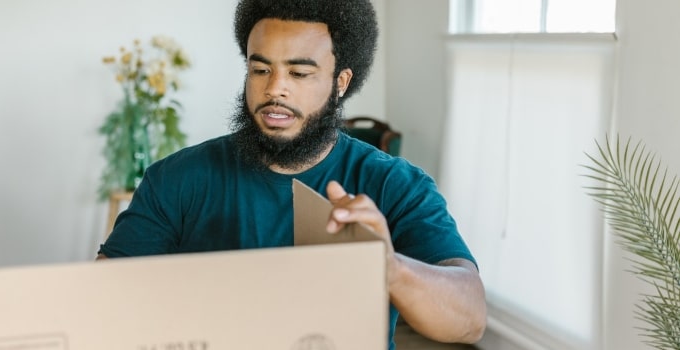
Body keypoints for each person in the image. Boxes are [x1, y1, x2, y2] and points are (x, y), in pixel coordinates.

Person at [97, 0, 486, 348]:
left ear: (341, 82)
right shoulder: (176, 179)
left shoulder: (395, 184)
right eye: (260, 69)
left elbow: (468, 321)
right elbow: (102, 302)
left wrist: (390, 268)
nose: (275, 89)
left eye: (299, 74)